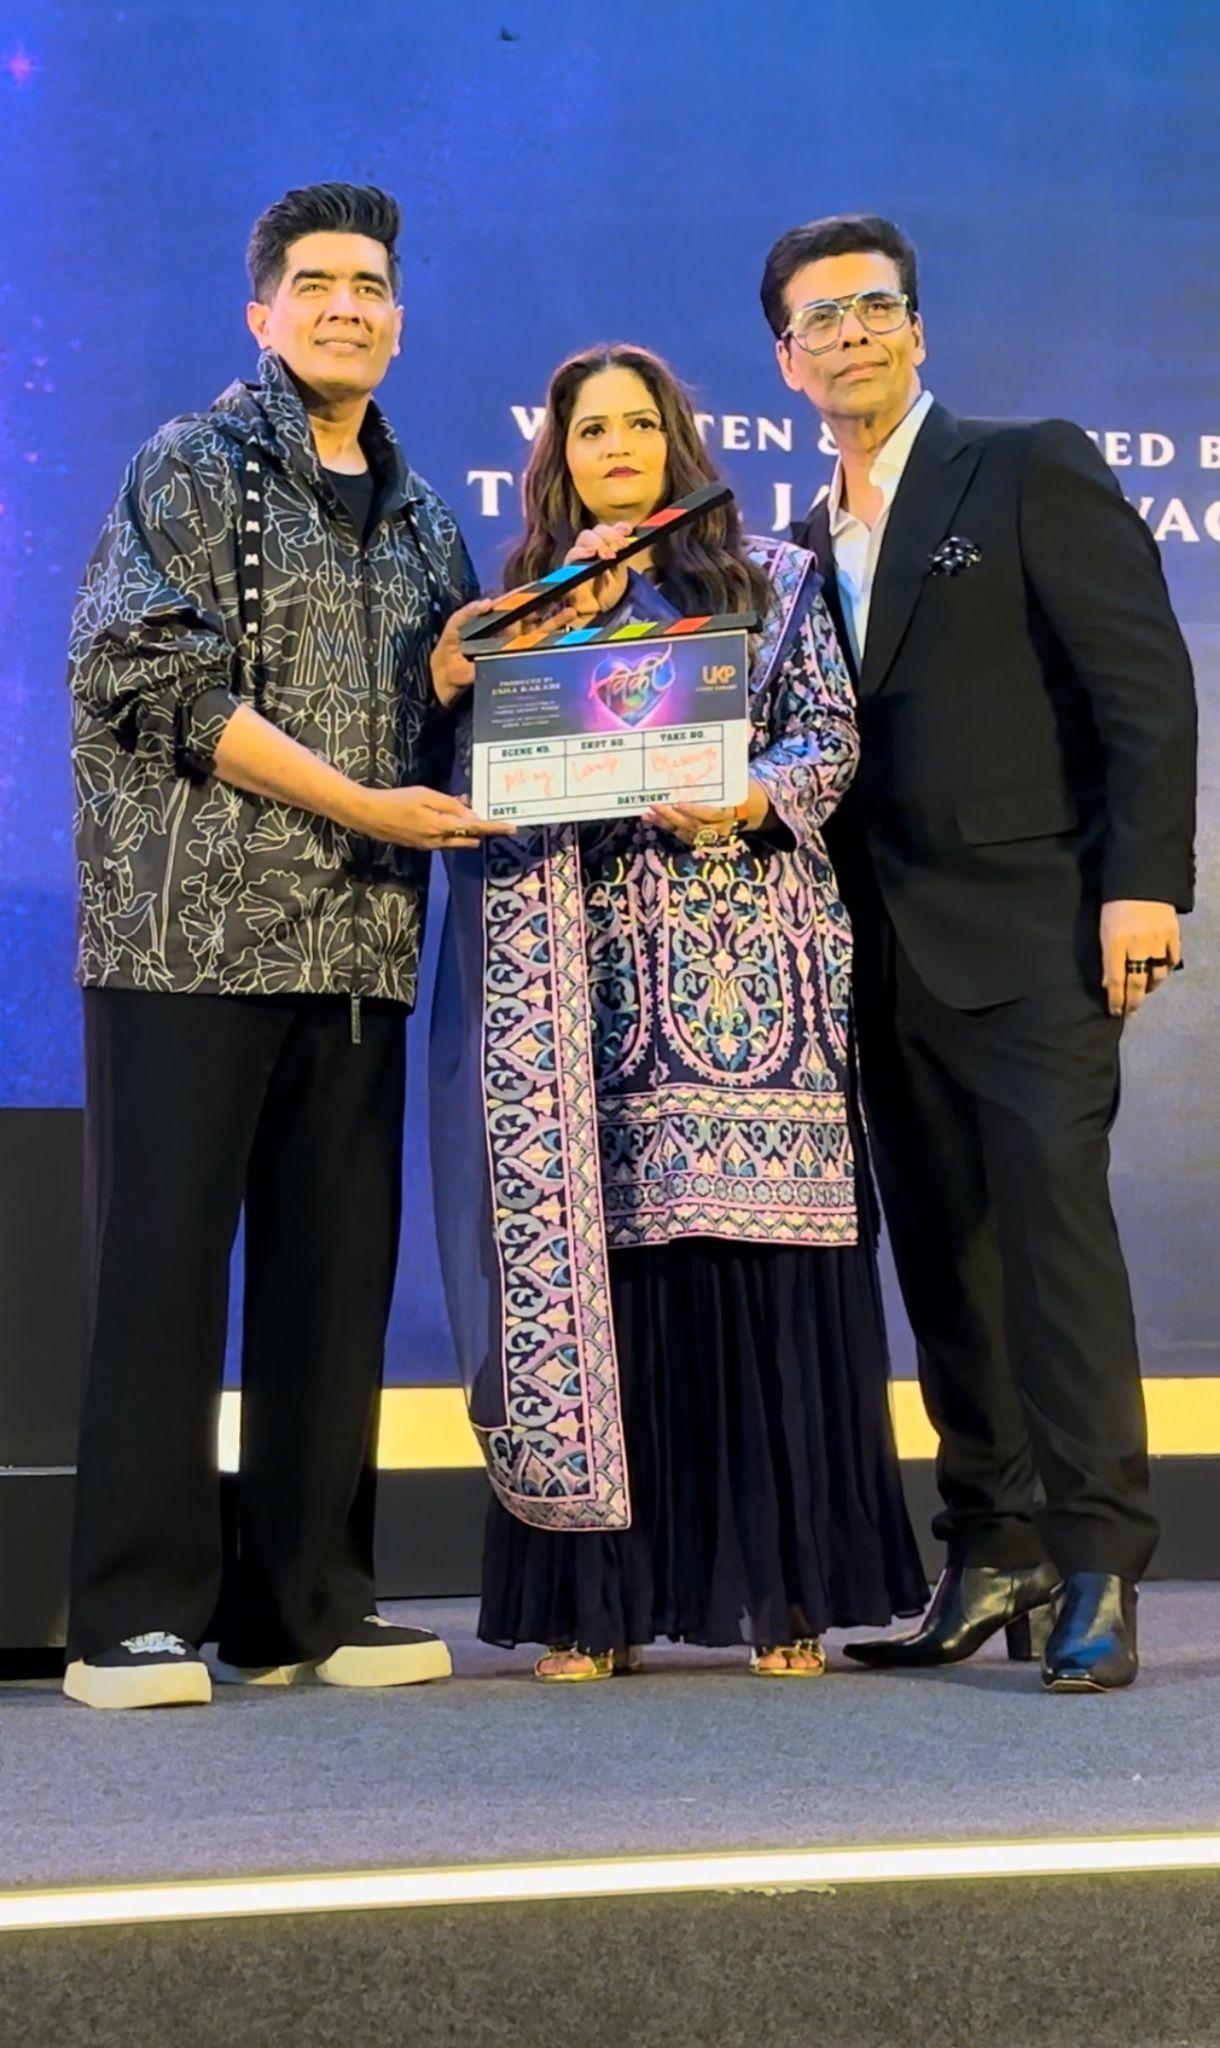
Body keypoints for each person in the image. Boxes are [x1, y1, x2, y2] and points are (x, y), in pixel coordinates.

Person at [64, 182, 500, 1710]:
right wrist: (368, 804)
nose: (344, 307)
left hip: (359, 951)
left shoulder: (428, 517)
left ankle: (306, 1603)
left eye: (369, 286)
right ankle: (132, 1613)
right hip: (184, 942)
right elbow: (152, 679)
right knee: (162, 1278)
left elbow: (432, 724)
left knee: (332, 1284)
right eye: (314, 283)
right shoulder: (189, 464)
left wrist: (465, 684)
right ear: (263, 312)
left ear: (399, 320)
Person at [430, 342, 928, 1680]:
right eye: (590, 430)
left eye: (638, 425)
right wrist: (526, 653)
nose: (617, 447)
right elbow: (475, 773)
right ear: (559, 457)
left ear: (677, 443)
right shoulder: (523, 612)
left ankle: (789, 1598)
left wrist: (755, 794)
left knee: (764, 1270)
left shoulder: (771, 578)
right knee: (616, 1273)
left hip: (756, 976)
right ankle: (598, 1608)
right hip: (585, 987)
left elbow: (829, 735)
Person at [760, 213, 1197, 1691]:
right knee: (945, 1260)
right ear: (787, 360)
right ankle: (993, 1543)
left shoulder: (1025, 466)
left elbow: (1144, 689)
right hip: (872, 957)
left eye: (874, 308)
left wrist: (1143, 887)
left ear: (917, 328)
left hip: (1035, 936)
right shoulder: (795, 545)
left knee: (1052, 1247)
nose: (851, 337)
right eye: (821, 321)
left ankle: (1098, 1561)